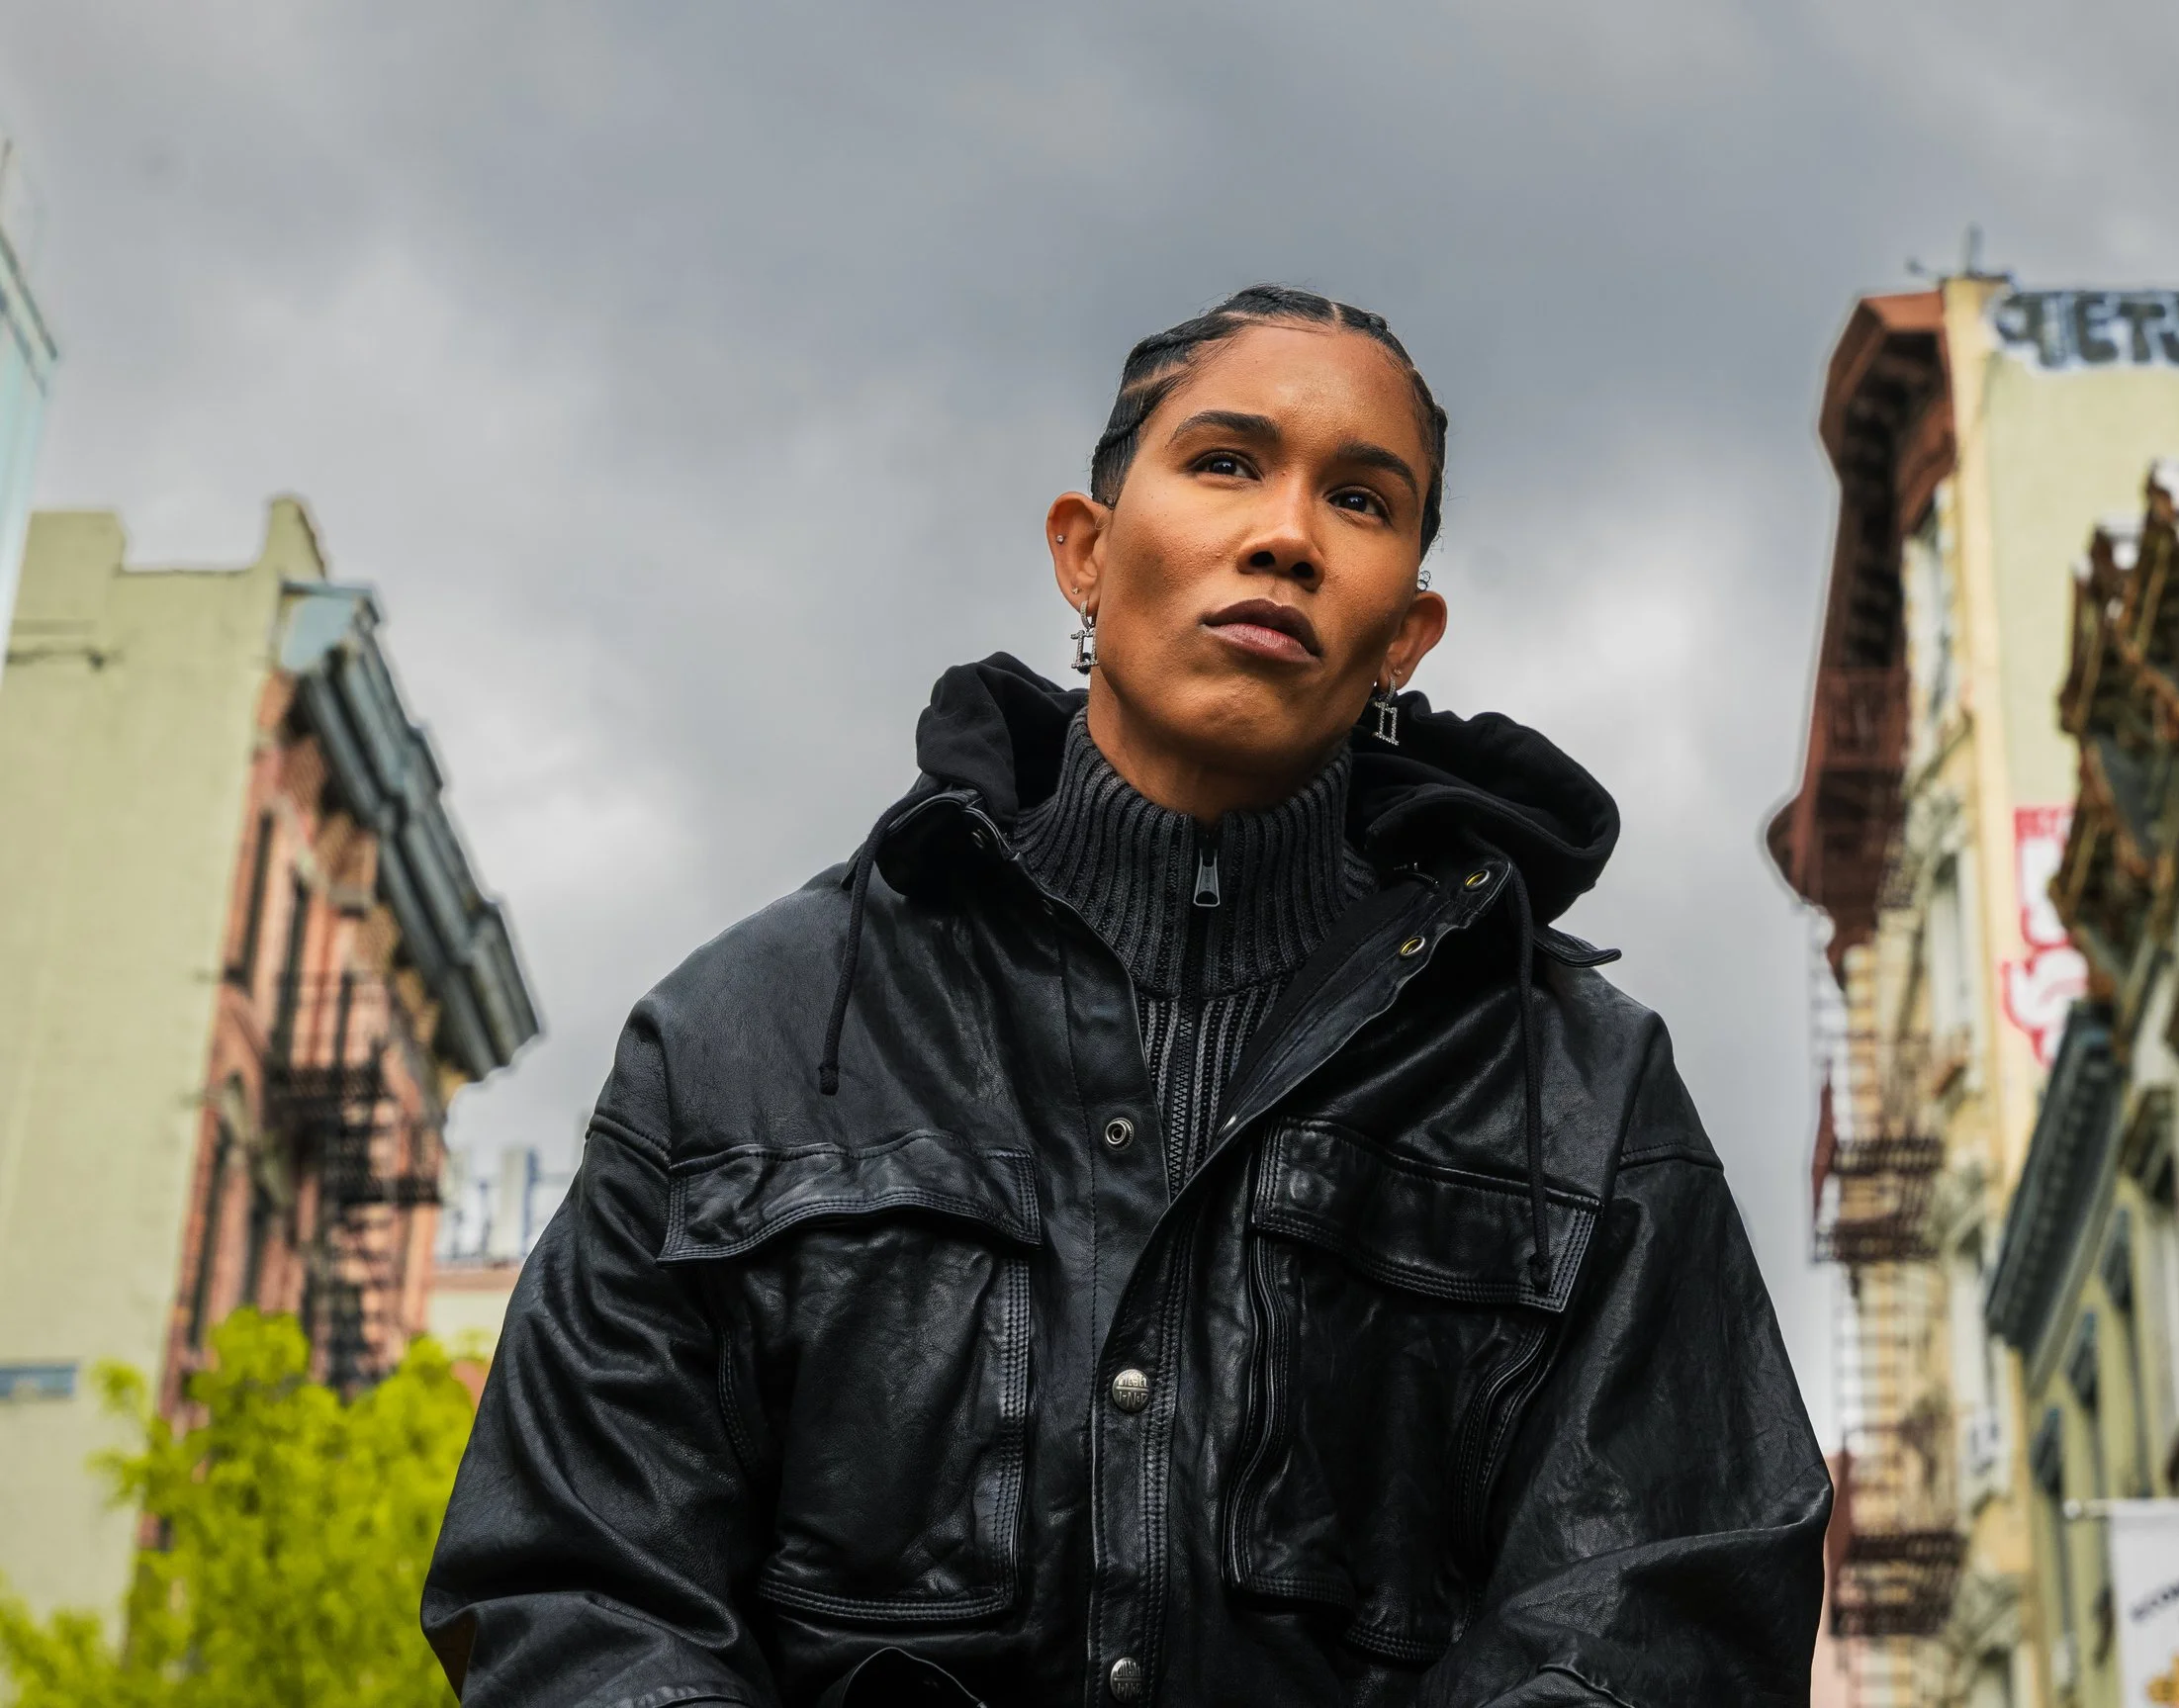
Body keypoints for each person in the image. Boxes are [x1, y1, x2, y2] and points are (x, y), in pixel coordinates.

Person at [423, 285, 1829, 1708]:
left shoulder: (1581, 1096)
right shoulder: (750, 1038)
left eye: (1360, 499)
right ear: (1084, 552)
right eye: (1225, 462)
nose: (1286, 533)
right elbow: (577, 1589)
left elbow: (1666, 1618)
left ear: (1408, 630)